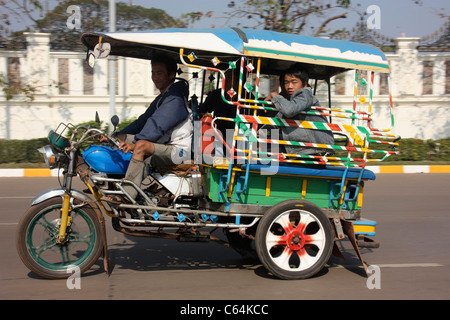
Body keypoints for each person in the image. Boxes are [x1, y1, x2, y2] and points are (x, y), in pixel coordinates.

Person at [103, 56, 192, 203]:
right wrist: (116, 136)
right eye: (153, 73)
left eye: (159, 73)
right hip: (166, 145)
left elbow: (158, 125)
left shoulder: (175, 99)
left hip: (179, 150)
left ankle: (127, 195)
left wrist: (136, 143)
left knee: (141, 146)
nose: (155, 77)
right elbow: (143, 121)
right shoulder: (163, 97)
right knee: (122, 139)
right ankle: (112, 182)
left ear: (171, 75)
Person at [264, 67, 334, 156]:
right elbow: (277, 120)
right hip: (303, 149)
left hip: (314, 150)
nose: (289, 86)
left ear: (304, 85)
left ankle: (264, 165)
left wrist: (275, 95)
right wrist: (260, 133)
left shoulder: (305, 94)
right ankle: (263, 165)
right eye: (286, 83)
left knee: (268, 153)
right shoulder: (290, 102)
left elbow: (289, 110)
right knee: (265, 146)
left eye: (294, 82)